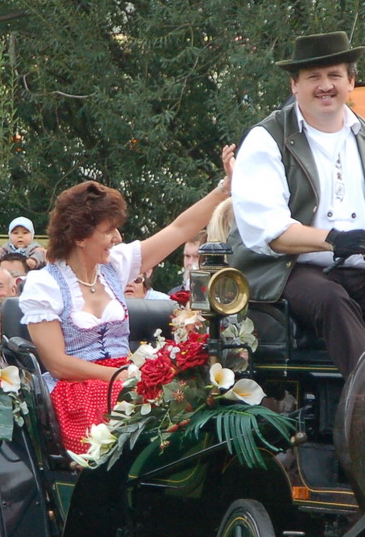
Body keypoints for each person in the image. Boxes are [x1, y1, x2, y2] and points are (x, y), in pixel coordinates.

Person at [229, 32, 365, 377]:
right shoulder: (266, 139)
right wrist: (333, 240)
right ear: (294, 85)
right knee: (332, 301)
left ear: (351, 81)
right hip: (289, 269)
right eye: (313, 77)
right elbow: (268, 232)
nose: (325, 86)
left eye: (334, 75)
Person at [29, 169, 234, 454]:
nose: (117, 237)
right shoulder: (44, 284)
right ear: (80, 237)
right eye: (108, 230)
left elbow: (178, 230)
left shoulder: (114, 265)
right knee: (135, 407)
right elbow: (57, 364)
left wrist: (225, 188)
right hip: (77, 389)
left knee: (188, 394)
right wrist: (119, 377)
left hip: (126, 378)